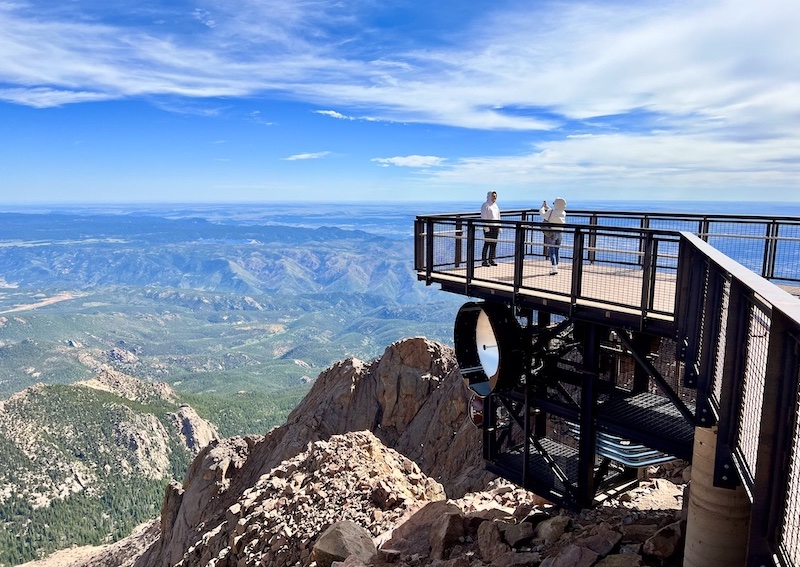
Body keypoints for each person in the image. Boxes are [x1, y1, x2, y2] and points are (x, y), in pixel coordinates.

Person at [540, 197, 567, 274]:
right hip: (560, 233)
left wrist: (542, 207)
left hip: (552, 233)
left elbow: (543, 214)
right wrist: (547, 207)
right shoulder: (563, 213)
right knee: (557, 250)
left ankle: (554, 268)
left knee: (552, 251)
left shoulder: (551, 212)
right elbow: (554, 212)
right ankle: (556, 267)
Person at [480, 191, 501, 266]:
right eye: (493, 196)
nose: (494, 198)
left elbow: (498, 216)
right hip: (488, 227)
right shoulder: (485, 205)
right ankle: (484, 261)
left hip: (495, 227)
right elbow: (483, 217)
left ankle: (491, 259)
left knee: (494, 244)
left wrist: (499, 226)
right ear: (489, 196)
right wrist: (486, 227)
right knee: (487, 244)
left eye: (495, 196)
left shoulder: (496, 206)